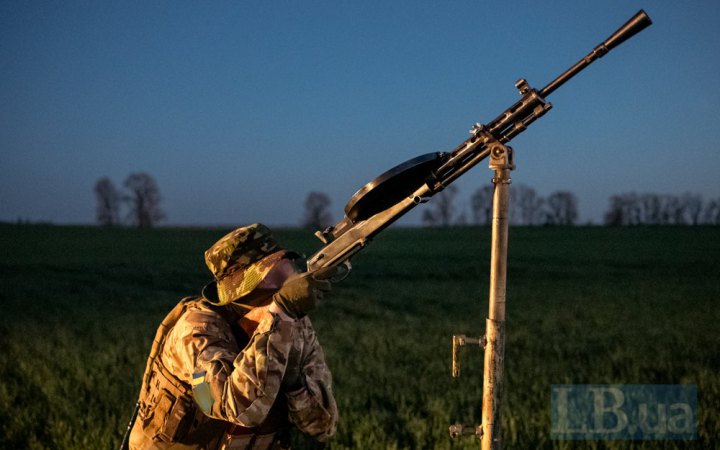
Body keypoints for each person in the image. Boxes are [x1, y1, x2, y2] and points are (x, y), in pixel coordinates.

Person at [128, 223, 339, 450]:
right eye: (276, 274)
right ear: (243, 289)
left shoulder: (292, 326)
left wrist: (294, 380)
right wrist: (280, 316)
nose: (290, 279)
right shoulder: (194, 331)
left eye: (289, 267)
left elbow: (322, 426)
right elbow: (234, 408)